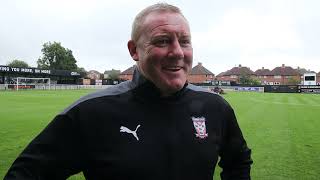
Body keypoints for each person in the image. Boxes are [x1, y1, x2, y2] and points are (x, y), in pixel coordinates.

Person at [5, 3, 252, 180]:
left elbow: (238, 162)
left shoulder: (215, 107)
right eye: (162, 41)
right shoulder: (92, 112)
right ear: (134, 50)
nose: (177, 52)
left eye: (184, 41)